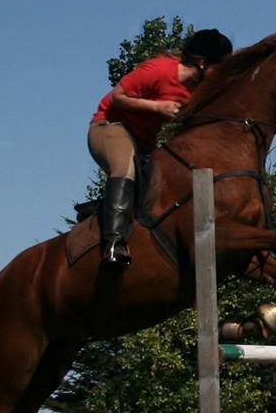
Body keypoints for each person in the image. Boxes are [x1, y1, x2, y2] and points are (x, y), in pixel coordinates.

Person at [88, 28, 233, 267]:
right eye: (220, 68)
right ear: (202, 63)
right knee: (126, 170)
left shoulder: (196, 90)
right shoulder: (159, 70)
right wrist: (158, 108)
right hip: (110, 126)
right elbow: (118, 97)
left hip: (144, 141)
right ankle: (113, 244)